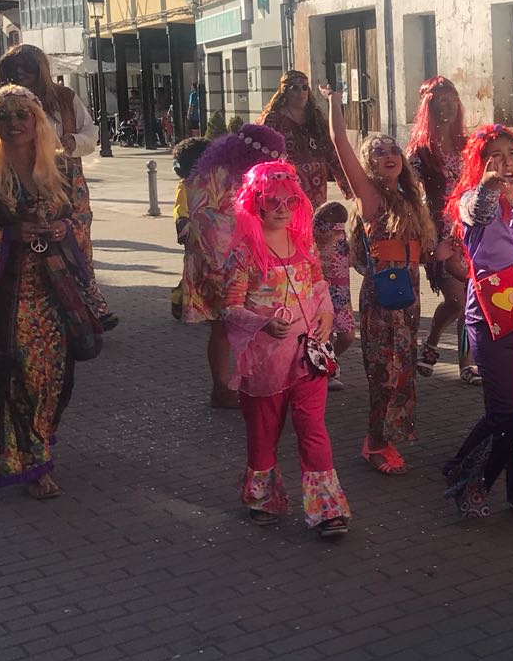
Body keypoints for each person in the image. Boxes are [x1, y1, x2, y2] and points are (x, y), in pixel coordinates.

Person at [0, 86, 102, 499]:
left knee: (52, 378)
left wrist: (64, 229)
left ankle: (40, 444)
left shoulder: (65, 168)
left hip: (57, 292)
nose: (15, 123)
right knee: (16, 376)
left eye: (23, 114)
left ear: (37, 119)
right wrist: (8, 235)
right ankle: (30, 461)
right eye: (5, 116)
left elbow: (83, 215)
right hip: (7, 294)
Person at [223, 160, 351, 538]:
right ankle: (262, 499)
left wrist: (327, 314)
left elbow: (316, 285)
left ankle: (328, 510)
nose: (282, 208)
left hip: (307, 356)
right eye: (272, 201)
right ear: (255, 202)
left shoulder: (303, 242)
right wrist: (263, 322)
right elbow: (229, 307)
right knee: (264, 432)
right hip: (264, 365)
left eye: (289, 201)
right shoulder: (243, 252)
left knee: (313, 427)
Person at [437, 123, 513, 522]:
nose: (505, 163)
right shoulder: (473, 199)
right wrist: (489, 188)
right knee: (508, 414)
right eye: (495, 156)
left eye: (512, 154)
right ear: (481, 164)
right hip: (490, 321)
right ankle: (472, 483)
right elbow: (477, 210)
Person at [321, 85, 434, 474]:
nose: (388, 156)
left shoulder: (412, 202)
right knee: (384, 374)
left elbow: (425, 253)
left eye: (392, 150)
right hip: (383, 299)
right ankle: (374, 443)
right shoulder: (370, 198)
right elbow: (340, 144)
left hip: (409, 298)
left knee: (402, 372)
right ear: (368, 166)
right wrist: (335, 102)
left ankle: (383, 439)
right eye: (377, 152)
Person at [0, 46, 117, 331]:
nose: (21, 73)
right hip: (18, 178)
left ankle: (89, 303)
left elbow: (91, 133)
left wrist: (73, 141)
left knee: (76, 240)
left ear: (42, 70)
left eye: (28, 67)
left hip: (65, 180)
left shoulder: (64, 98)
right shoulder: (1, 103)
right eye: (15, 68)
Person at [180, 124, 288, 408]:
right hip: (218, 261)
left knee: (255, 322)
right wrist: (232, 253)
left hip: (251, 260)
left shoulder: (253, 174)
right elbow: (203, 218)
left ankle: (253, 381)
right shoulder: (211, 174)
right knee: (224, 325)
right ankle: (221, 387)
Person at [406, 76, 468, 378]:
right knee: (457, 301)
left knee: (473, 300)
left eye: (452, 99)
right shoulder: (420, 153)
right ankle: (431, 343)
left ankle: (467, 363)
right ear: (429, 108)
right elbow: (405, 190)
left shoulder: (468, 146)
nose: (448, 106)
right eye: (441, 101)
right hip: (440, 235)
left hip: (471, 230)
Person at [259, 70, 348, 207]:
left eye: (304, 88)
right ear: (285, 91)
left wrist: (347, 184)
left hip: (316, 187)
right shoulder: (273, 120)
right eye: (294, 88)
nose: (301, 93)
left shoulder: (315, 118)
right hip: (286, 187)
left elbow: (330, 151)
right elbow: (260, 153)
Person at [313, 200, 356, 391]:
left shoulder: (343, 238)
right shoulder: (314, 238)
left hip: (341, 294)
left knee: (347, 335)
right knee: (325, 335)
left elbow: (352, 260)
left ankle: (328, 364)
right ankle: (325, 371)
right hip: (322, 293)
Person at [170, 137, 210, 321]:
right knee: (194, 271)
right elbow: (181, 209)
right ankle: (179, 299)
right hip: (195, 236)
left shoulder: (211, 183)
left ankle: (205, 303)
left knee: (205, 271)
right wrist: (184, 227)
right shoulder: (186, 186)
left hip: (213, 236)